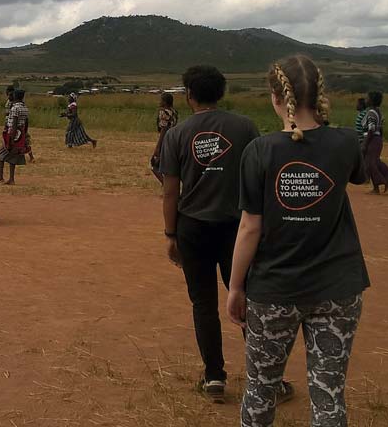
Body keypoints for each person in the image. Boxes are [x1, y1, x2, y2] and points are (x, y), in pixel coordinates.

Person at [227, 54, 369, 427]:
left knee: (260, 388)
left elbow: (250, 228)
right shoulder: (345, 142)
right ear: (318, 94)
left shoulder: (260, 150)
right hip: (338, 288)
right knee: (329, 392)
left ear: (276, 97)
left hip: (274, 289)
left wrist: (235, 286)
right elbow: (358, 176)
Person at [157, 65, 261, 403]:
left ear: (189, 95)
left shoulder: (177, 134)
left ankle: (214, 375)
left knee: (203, 303)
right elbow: (258, 180)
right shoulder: (245, 128)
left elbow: (170, 190)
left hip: (193, 228)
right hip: (237, 229)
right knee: (245, 297)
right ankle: (265, 377)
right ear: (221, 93)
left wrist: (170, 234)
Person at [362, 91, 388, 194]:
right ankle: (377, 187)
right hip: (376, 139)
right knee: (372, 163)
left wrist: (365, 143)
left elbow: (371, 129)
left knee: (372, 163)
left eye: (367, 98)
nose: (366, 100)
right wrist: (380, 139)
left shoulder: (371, 112)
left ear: (372, 100)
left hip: (372, 139)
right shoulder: (378, 112)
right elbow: (380, 129)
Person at [0, 89, 29, 184]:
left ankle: (0, 178)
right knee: (13, 156)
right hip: (21, 133)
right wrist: (24, 135)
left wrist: (11, 138)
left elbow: (14, 124)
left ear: (15, 96)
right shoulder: (25, 108)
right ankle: (11, 179)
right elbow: (26, 123)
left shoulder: (15, 108)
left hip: (12, 133)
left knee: (0, 155)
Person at [151, 92, 179, 182]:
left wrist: (158, 147)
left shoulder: (163, 112)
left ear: (165, 102)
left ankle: (166, 185)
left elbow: (164, 128)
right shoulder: (174, 111)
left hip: (165, 140)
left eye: (161, 100)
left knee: (154, 165)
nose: (159, 102)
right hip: (174, 139)